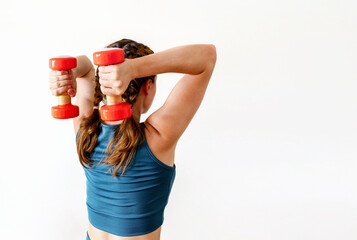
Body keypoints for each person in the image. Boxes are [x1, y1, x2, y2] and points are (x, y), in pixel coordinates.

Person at [49, 39, 217, 240]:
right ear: (148, 85)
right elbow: (207, 57)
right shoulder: (158, 136)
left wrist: (69, 73)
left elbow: (85, 69)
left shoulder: (86, 128)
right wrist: (134, 68)